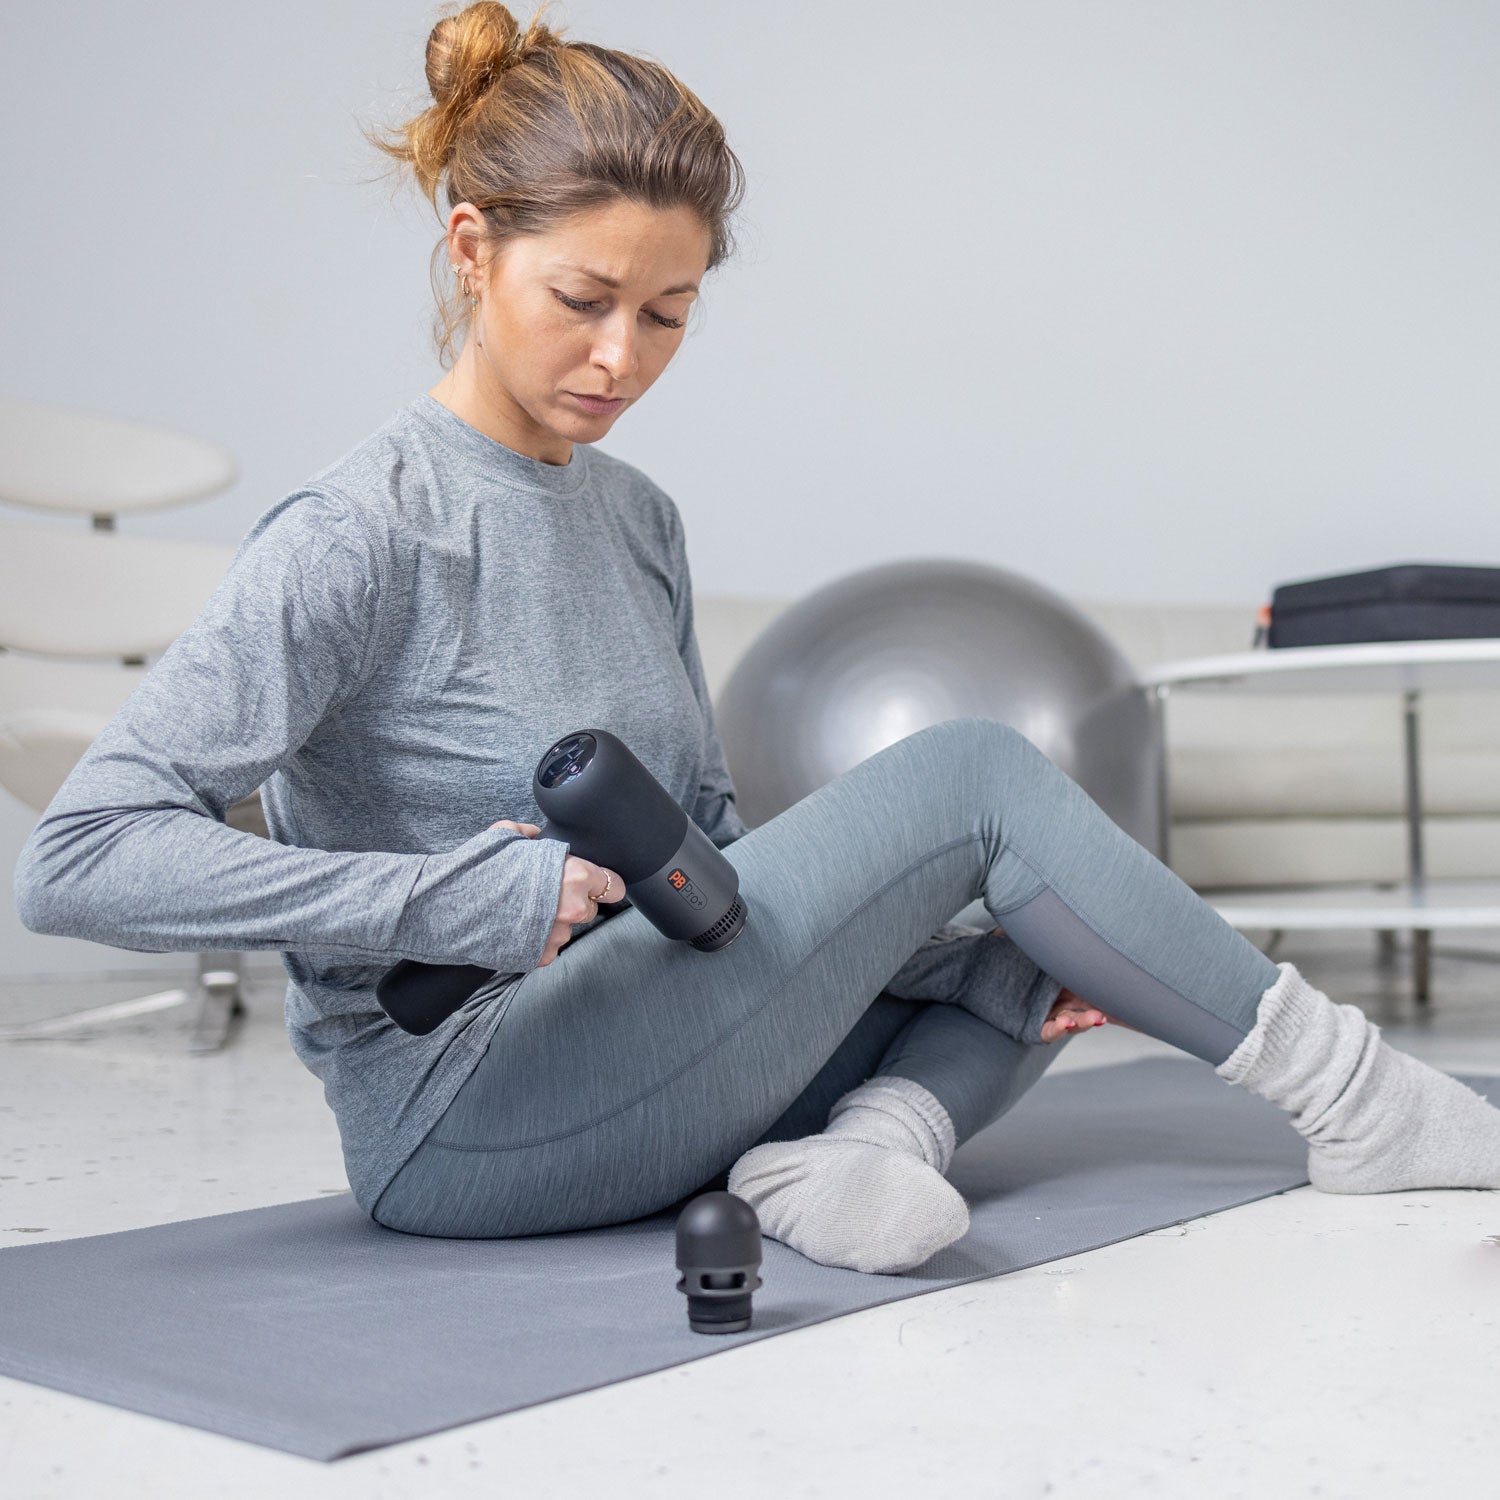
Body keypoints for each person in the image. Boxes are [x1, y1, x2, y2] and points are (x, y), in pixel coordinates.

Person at [15, 1, 1499, 1277]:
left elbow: (714, 852)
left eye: (667, 315)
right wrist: (445, 898)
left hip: (652, 1047)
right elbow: (77, 860)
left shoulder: (637, 519)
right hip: (462, 1112)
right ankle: (1361, 1101)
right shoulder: (359, 532)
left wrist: (953, 955)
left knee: (1024, 957)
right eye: (584, 300)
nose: (621, 358)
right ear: (472, 250)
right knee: (977, 776)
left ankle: (866, 1151)